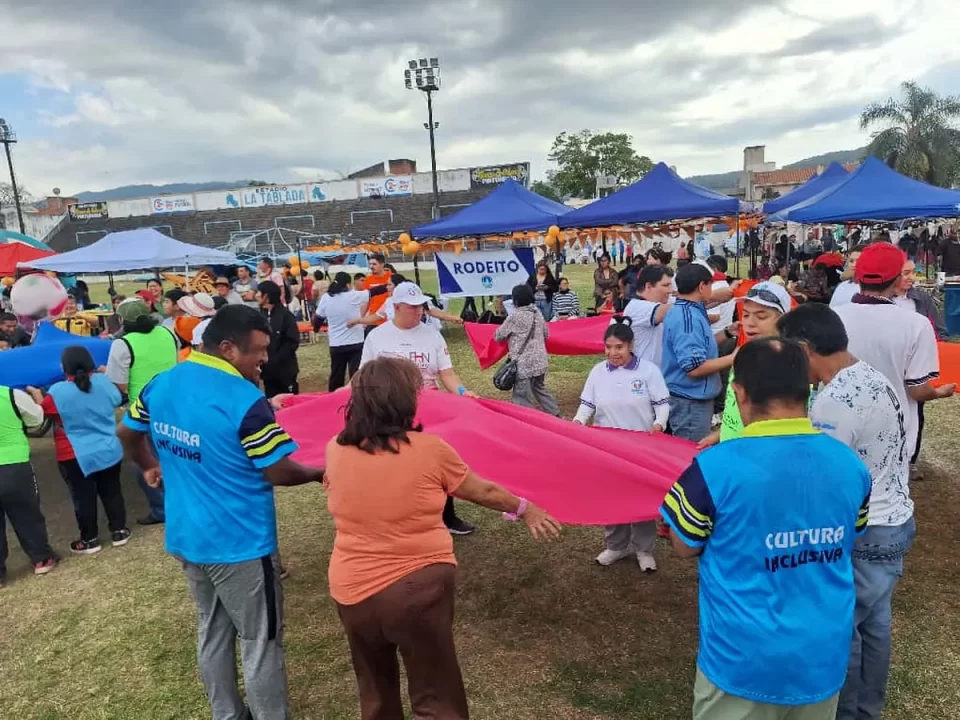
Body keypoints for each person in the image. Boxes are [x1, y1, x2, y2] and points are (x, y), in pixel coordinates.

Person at [118, 305, 324, 720]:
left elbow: (127, 430)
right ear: (229, 348)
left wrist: (149, 465)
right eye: (259, 351)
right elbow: (279, 471)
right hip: (241, 544)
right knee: (260, 639)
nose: (265, 359)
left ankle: (227, 714)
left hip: (188, 537)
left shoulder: (164, 382)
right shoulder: (244, 400)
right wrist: (322, 471)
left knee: (212, 631)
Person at [326, 357, 559, 718]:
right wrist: (525, 507)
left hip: (351, 591)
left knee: (374, 691)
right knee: (436, 694)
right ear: (404, 401)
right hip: (416, 589)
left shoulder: (335, 449)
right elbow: (481, 491)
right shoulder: (430, 450)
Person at [661, 338, 871, 720]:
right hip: (821, 655)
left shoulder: (712, 469)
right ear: (808, 388)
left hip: (742, 659)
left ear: (739, 394)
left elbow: (683, 545)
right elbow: (850, 537)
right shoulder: (851, 465)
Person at [778, 304, 914, 720]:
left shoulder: (835, 401)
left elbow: (827, 478)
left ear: (804, 348)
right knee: (875, 625)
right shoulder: (871, 376)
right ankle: (867, 710)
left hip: (866, 530)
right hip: (894, 519)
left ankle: (848, 713)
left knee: (843, 632)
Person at [360, 282, 479, 536]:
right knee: (396, 465)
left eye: (421, 307)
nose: (418, 312)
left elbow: (446, 373)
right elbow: (363, 375)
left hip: (430, 409)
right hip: (391, 410)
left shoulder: (432, 335)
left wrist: (461, 392)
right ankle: (402, 519)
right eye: (412, 308)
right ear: (396, 307)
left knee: (438, 462)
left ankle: (447, 516)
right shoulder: (377, 337)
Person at [831, 242, 954, 477]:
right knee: (889, 506)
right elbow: (918, 390)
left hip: (840, 427)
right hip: (892, 433)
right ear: (897, 280)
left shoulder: (833, 317)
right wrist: (939, 392)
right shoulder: (915, 324)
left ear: (858, 276)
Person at [574, 318, 669, 571]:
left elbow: (662, 404)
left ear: (631, 346)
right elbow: (588, 405)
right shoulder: (597, 372)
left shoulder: (649, 371)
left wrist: (659, 424)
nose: (613, 353)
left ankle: (644, 550)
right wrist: (578, 421)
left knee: (641, 497)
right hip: (608, 446)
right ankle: (615, 545)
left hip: (642, 446)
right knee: (612, 496)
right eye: (608, 347)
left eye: (619, 347)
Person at [28, 346, 129, 554]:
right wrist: (103, 374)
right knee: (112, 491)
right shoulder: (103, 383)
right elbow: (117, 399)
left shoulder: (57, 391)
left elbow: (42, 412)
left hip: (74, 455)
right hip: (108, 449)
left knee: (83, 498)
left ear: (64, 368)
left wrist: (37, 394)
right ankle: (119, 531)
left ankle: (90, 540)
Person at [105, 298, 179, 526]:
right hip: (175, 402)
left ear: (121, 320)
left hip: (145, 410)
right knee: (177, 454)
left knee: (145, 460)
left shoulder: (122, 344)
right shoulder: (168, 333)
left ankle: (161, 508)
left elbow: (119, 383)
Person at [699, 281, 793, 447]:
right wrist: (720, 434)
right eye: (746, 314)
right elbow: (735, 409)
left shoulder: (788, 365)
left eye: (761, 316)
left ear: (783, 319)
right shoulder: (743, 354)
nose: (750, 323)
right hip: (731, 449)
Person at [660, 263, 734, 442]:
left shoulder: (688, 310)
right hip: (690, 402)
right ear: (702, 286)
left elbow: (700, 349)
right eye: (710, 284)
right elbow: (694, 368)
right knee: (689, 455)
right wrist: (734, 358)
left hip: (692, 399)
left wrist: (727, 333)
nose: (713, 289)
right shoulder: (688, 319)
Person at [0, 379, 57, 585]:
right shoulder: (11, 395)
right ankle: (42, 558)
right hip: (15, 464)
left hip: (13, 464)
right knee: (27, 513)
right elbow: (36, 420)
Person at [894, 258, 947, 477]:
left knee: (917, 408)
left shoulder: (921, 298)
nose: (911, 277)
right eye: (905, 273)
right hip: (892, 363)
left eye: (912, 273)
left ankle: (911, 458)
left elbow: (939, 327)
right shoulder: (883, 300)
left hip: (916, 366)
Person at [494, 284, 560, 415]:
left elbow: (498, 336)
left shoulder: (515, 316)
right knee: (540, 389)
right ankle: (556, 414)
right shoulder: (538, 313)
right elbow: (546, 334)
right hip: (540, 361)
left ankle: (526, 422)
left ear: (516, 300)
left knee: (522, 397)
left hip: (523, 364)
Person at [318, 272, 368, 392]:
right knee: (356, 375)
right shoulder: (354, 295)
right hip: (356, 342)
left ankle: (333, 400)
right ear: (347, 284)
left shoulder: (326, 297)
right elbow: (374, 292)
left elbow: (319, 317)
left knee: (336, 374)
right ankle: (357, 397)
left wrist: (315, 328)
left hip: (336, 344)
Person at [256, 280, 300, 398]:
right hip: (267, 372)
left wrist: (275, 359)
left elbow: (292, 341)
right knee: (272, 402)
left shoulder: (286, 316)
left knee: (289, 402)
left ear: (266, 296)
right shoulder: (259, 316)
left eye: (258, 292)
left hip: (285, 370)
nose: (256, 295)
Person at [361, 253, 393, 334]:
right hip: (373, 321)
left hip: (389, 321)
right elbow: (365, 302)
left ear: (382, 264)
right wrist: (361, 318)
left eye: (374, 264)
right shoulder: (368, 280)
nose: (371, 266)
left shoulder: (392, 278)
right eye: (370, 264)